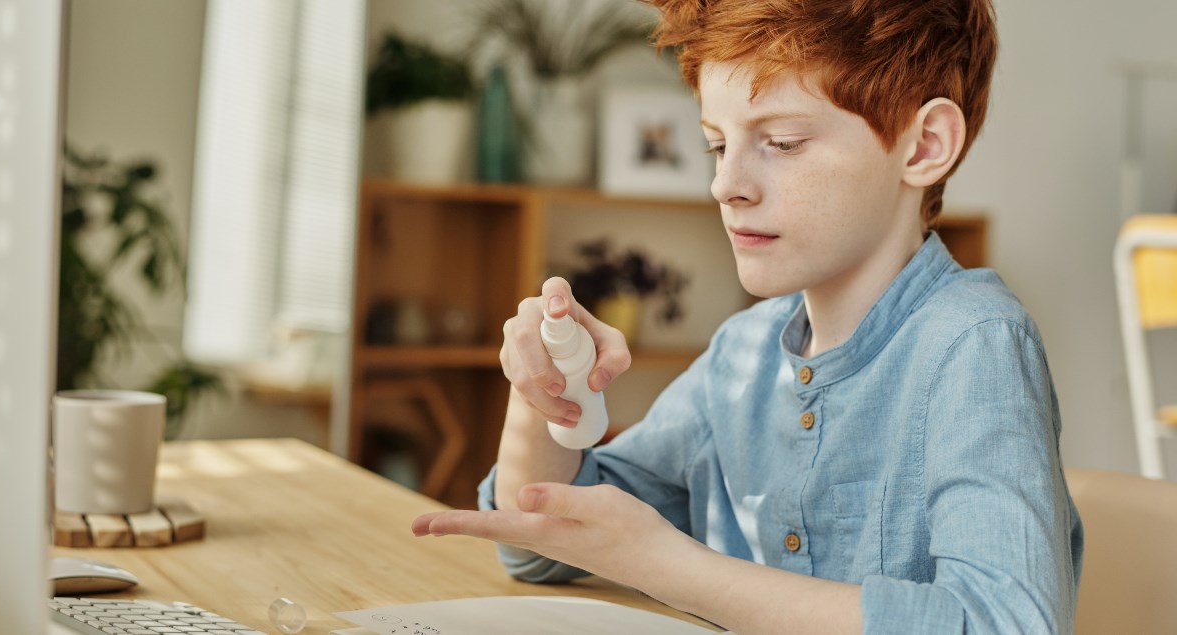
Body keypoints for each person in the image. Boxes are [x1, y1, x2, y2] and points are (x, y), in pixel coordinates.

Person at [412, 0, 1083, 632]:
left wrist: (669, 566)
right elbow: (545, 547)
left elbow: (1004, 622)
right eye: (716, 144)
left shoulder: (974, 343)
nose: (726, 183)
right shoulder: (744, 352)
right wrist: (546, 392)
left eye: (783, 142)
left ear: (924, 145)